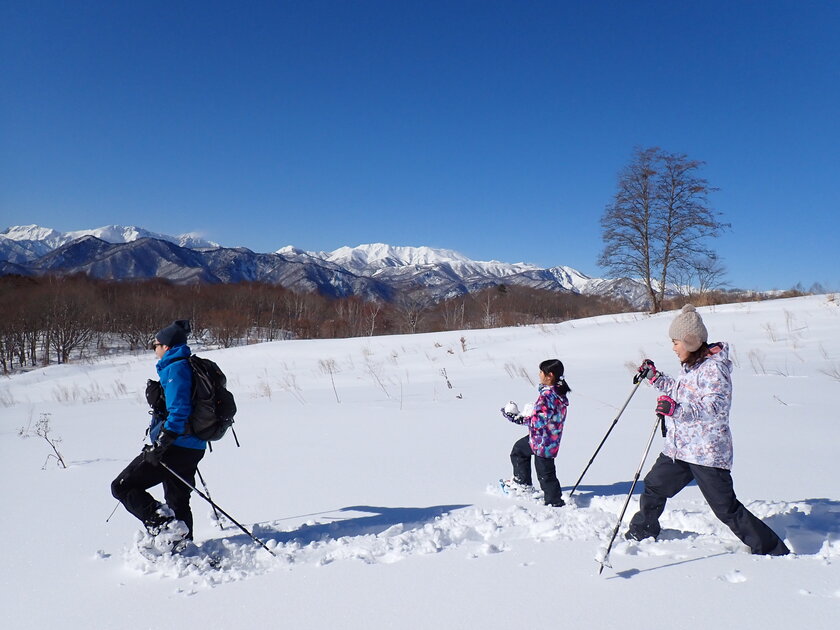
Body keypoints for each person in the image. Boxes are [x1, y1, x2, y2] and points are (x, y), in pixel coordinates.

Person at [625, 304, 789, 556]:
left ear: (691, 342)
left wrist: (676, 410)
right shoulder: (691, 365)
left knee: (725, 508)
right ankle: (643, 529)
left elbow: (716, 408)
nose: (673, 347)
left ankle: (771, 548)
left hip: (706, 452)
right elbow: (681, 392)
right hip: (679, 449)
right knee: (655, 486)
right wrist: (655, 377)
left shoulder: (714, 369)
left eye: (676, 342)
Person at [110, 320, 206, 547]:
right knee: (177, 499)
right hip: (193, 445)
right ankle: (183, 546)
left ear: (166, 346)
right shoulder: (185, 365)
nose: (154, 349)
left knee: (121, 486)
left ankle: (164, 525)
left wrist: (163, 443)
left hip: (176, 446)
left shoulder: (176, 368)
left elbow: (180, 409)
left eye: (155, 344)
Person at [501, 359, 571, 507]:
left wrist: (517, 419)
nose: (539, 374)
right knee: (519, 450)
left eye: (541, 371)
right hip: (543, 438)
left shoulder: (548, 396)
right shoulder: (556, 392)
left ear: (549, 375)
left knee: (546, 474)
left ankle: (554, 502)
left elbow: (538, 421)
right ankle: (522, 483)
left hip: (544, 442)